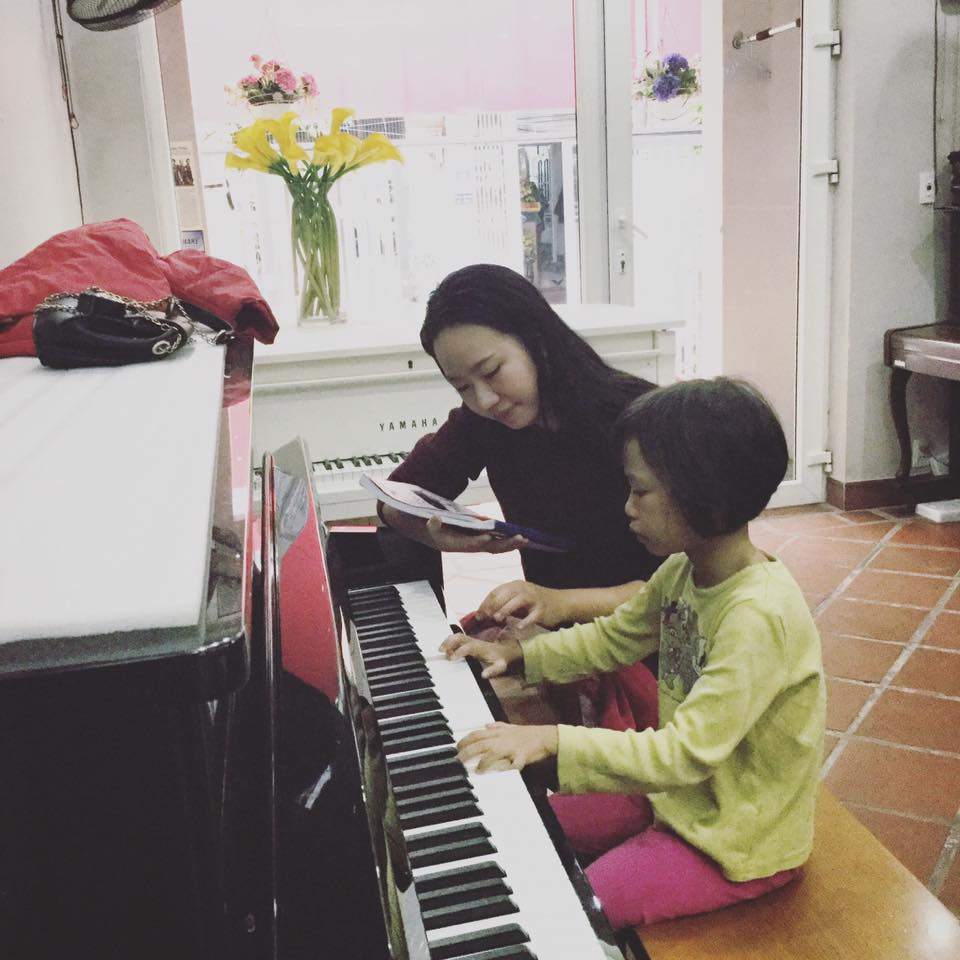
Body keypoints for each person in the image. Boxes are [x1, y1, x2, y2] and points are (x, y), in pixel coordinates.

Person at [441, 377, 826, 928]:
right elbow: (613, 638)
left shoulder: (758, 616)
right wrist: (520, 657)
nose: (627, 508)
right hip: (675, 794)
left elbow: (685, 752)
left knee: (574, 909)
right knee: (533, 826)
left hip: (735, 838)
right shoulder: (682, 571)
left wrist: (550, 738)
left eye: (640, 491)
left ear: (707, 496)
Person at [382, 263, 662, 728]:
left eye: (492, 372)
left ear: (537, 339)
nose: (484, 400)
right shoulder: (484, 422)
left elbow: (681, 589)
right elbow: (392, 499)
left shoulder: (636, 421)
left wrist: (557, 602)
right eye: (462, 387)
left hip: (647, 648)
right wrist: (436, 536)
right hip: (557, 644)